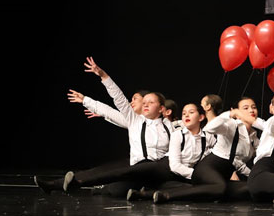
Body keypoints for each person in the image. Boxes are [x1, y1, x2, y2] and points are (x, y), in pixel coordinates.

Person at [34, 57, 172, 198]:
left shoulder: (169, 126)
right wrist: (99, 81)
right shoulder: (135, 120)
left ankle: (85, 184)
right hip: (137, 169)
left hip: (157, 171)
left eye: (150, 102)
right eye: (144, 102)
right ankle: (56, 185)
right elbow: (117, 100)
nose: (145, 105)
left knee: (117, 176)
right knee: (115, 187)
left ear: (161, 108)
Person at [152, 97, 261, 203]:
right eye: (245, 108)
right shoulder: (231, 125)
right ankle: (167, 196)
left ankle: (150, 193)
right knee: (219, 187)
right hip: (207, 169)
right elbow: (210, 127)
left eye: (254, 107)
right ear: (236, 111)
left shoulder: (254, 137)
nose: (251, 110)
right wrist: (230, 114)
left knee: (251, 187)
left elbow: (238, 162)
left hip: (222, 176)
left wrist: (253, 176)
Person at [127, 102, 217, 201]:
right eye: (184, 113)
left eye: (191, 112)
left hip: (181, 177)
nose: (186, 115)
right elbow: (175, 166)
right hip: (166, 171)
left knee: (193, 188)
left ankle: (145, 194)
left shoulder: (208, 137)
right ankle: (146, 193)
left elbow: (218, 150)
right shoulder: (178, 134)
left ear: (201, 117)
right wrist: (197, 175)